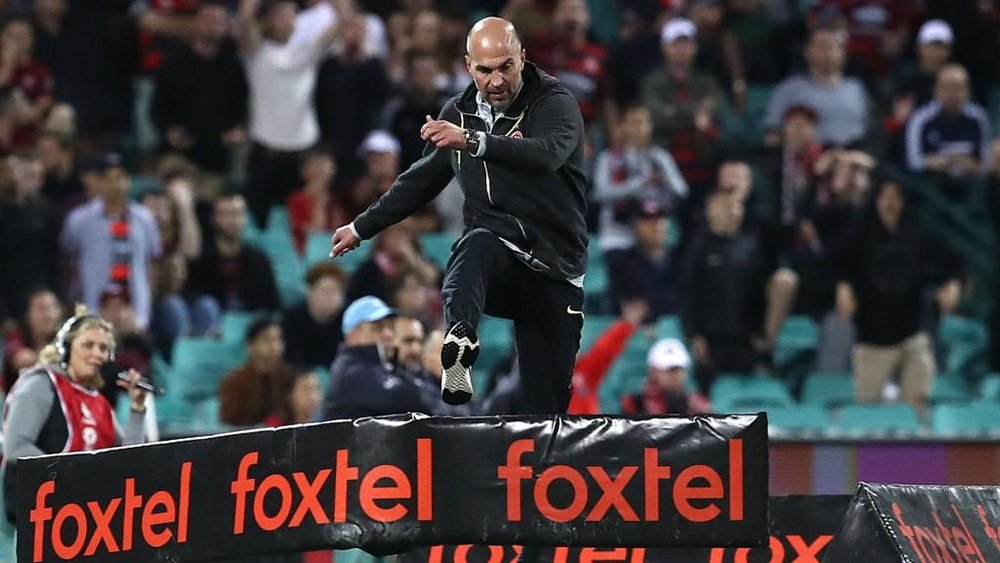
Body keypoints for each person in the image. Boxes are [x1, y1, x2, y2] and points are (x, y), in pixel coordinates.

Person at [330, 17, 588, 414]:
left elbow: (546, 154)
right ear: (469, 66)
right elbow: (420, 182)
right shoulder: (459, 111)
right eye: (485, 70)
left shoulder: (554, 102)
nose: (496, 80)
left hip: (554, 271)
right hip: (500, 259)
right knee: (476, 243)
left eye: (506, 66)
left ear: (523, 57)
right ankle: (459, 343)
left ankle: (545, 466)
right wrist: (361, 227)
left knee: (547, 410)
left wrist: (473, 141)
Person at [1, 305, 148, 523]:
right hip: (35, 511)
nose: (97, 353)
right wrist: (73, 478)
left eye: (104, 348)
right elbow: (17, 448)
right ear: (67, 349)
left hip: (80, 513)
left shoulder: (99, 403)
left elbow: (128, 461)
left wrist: (137, 410)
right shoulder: (40, 384)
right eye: (89, 345)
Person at [837, 179, 961, 418]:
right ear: (876, 200)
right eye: (885, 196)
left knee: (918, 404)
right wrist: (843, 288)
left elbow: (951, 262)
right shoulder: (859, 232)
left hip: (913, 333)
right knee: (866, 412)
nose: (890, 203)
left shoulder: (918, 233)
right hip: (872, 337)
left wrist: (952, 284)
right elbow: (838, 265)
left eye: (896, 197)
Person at [60, 153, 163, 331]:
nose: (116, 184)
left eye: (121, 177)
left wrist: (147, 300)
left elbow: (152, 264)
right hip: (91, 307)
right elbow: (68, 262)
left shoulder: (145, 219)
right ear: (98, 182)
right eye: (109, 178)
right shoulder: (79, 219)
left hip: (135, 310)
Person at [320, 296, 442, 419]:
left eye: (389, 327)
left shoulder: (388, 367)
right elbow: (408, 399)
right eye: (377, 328)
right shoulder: (350, 371)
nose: (388, 335)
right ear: (353, 335)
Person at [592, 104, 687, 252]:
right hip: (619, 233)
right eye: (633, 123)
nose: (639, 128)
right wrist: (639, 184)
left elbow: (681, 191)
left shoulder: (660, 156)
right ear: (623, 126)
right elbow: (599, 193)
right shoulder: (609, 157)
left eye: (643, 122)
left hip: (655, 232)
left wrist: (666, 179)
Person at [763, 27, 869, 148]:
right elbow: (772, 135)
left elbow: (865, 130)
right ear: (807, 51)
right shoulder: (789, 89)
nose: (829, 52)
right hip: (807, 158)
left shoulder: (856, 89)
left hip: (852, 156)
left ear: (844, 53)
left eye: (835, 46)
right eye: (823, 46)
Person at [905, 64, 991, 186]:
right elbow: (913, 161)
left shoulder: (978, 118)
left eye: (957, 88)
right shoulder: (921, 119)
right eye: (947, 88)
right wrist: (944, 161)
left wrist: (968, 165)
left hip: (969, 184)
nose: (952, 94)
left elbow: (986, 163)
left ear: (967, 90)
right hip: (930, 184)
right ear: (936, 90)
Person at [218, 315, 296, 426]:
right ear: (250, 345)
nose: (275, 346)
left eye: (278, 339)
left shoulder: (290, 377)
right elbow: (229, 421)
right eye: (267, 340)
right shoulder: (234, 381)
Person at [621, 337, 712, 415]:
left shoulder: (697, 406)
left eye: (679, 369)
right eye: (668, 370)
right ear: (653, 371)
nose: (675, 375)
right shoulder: (635, 404)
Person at [282, 262, 347, 368]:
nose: (332, 298)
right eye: (326, 291)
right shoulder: (292, 319)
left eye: (336, 291)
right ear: (309, 292)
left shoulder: (350, 320)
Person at [2, 288, 62, 391]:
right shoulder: (16, 336)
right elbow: (22, 359)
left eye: (52, 307)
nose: (48, 314)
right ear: (27, 315)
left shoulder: (66, 336)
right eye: (41, 308)